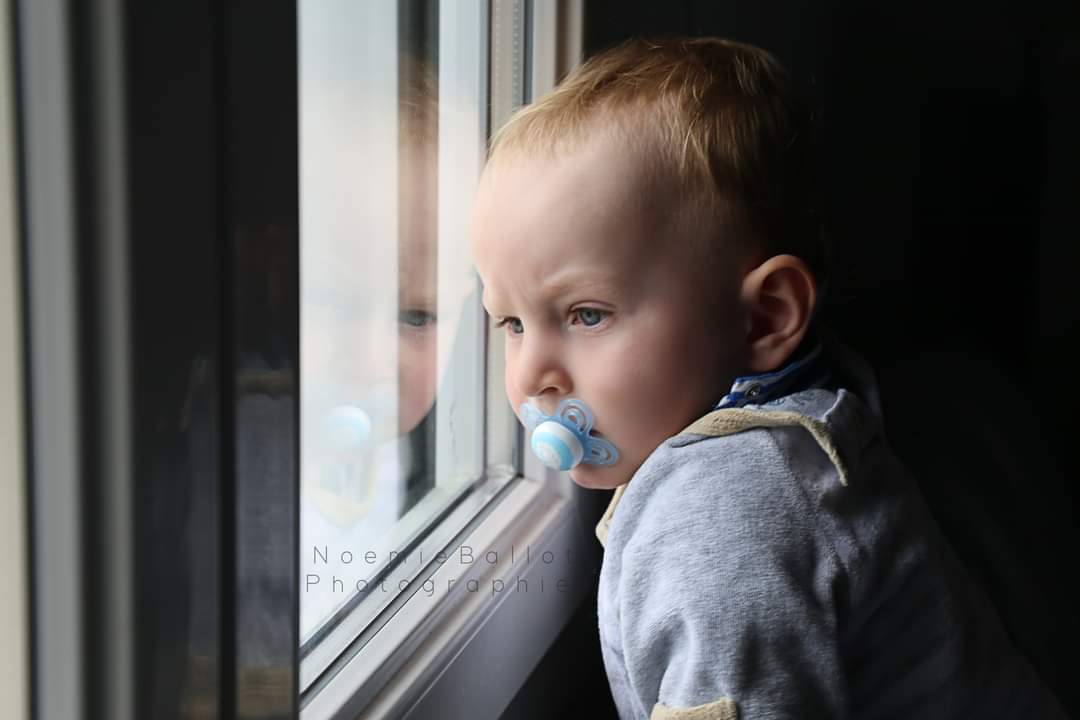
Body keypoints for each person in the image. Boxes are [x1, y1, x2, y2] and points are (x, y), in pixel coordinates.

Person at [468, 36, 1068, 718]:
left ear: (764, 318)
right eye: (511, 324)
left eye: (585, 313)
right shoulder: (809, 418)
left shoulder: (720, 517)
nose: (533, 376)